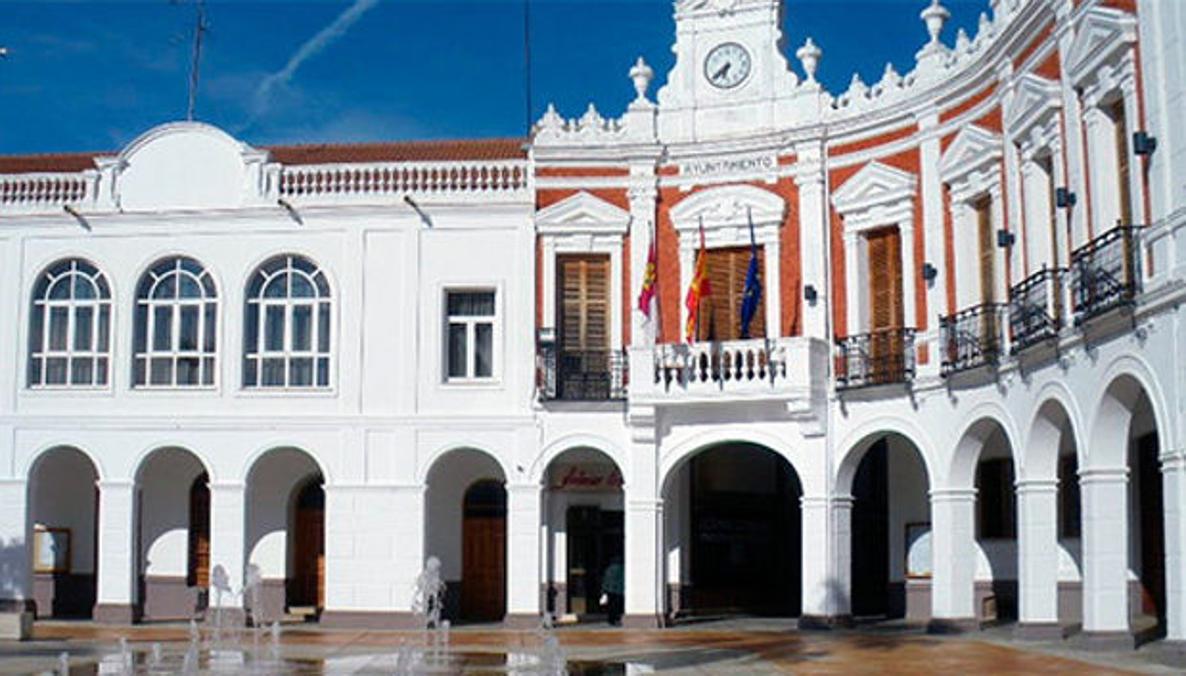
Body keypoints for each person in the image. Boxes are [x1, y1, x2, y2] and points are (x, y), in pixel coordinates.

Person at [600, 556, 625, 626]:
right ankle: (617, 618)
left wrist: (603, 590)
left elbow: (606, 580)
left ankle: (611, 619)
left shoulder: (609, 569)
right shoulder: (622, 568)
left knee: (611, 606)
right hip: (619, 590)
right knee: (617, 606)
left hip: (610, 590)